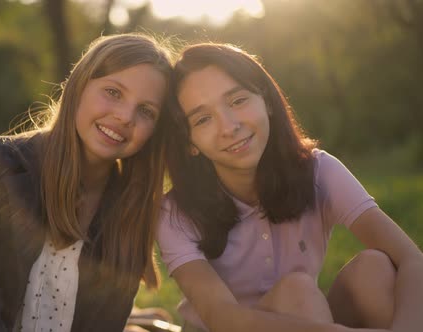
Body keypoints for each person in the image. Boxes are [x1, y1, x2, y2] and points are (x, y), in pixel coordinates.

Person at [156, 43, 423, 332]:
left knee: (376, 268)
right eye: (203, 119)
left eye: (237, 101)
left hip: (307, 317)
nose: (228, 127)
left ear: (267, 101)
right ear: (190, 142)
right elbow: (223, 318)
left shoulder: (318, 170)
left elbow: (411, 259)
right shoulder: (175, 212)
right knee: (297, 292)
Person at [0, 33, 174, 332]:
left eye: (146, 111)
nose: (125, 116)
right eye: (113, 92)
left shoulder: (131, 205)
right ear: (79, 86)